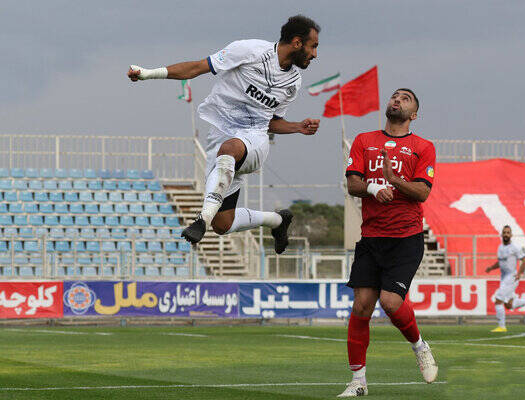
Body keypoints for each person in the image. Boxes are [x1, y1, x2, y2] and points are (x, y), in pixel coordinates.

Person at [127, 15, 321, 254]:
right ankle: (277, 221)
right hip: (220, 138)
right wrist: (148, 73)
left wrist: (296, 127)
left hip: (254, 140)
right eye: (313, 46)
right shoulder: (248, 51)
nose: (314, 54)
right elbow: (197, 67)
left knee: (230, 149)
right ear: (297, 42)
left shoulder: (293, 82)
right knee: (223, 225)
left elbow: (271, 121)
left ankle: (201, 220)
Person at [338, 89, 437, 397]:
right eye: (395, 96)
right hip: (371, 237)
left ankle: (419, 345)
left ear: (414, 114)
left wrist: (394, 181)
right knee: (362, 305)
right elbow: (352, 182)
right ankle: (358, 383)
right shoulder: (364, 140)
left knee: (391, 302)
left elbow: (422, 192)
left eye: (405, 98)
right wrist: (372, 187)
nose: (397, 100)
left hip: (405, 237)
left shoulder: (424, 147)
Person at [485, 225, 525, 333]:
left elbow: (524, 261)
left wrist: (520, 273)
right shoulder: (500, 247)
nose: (506, 234)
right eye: (505, 232)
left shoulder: (515, 248)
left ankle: (501, 326)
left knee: (498, 300)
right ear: (501, 234)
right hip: (503, 278)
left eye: (508, 232)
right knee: (508, 305)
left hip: (512, 277)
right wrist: (491, 268)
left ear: (511, 235)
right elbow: (500, 262)